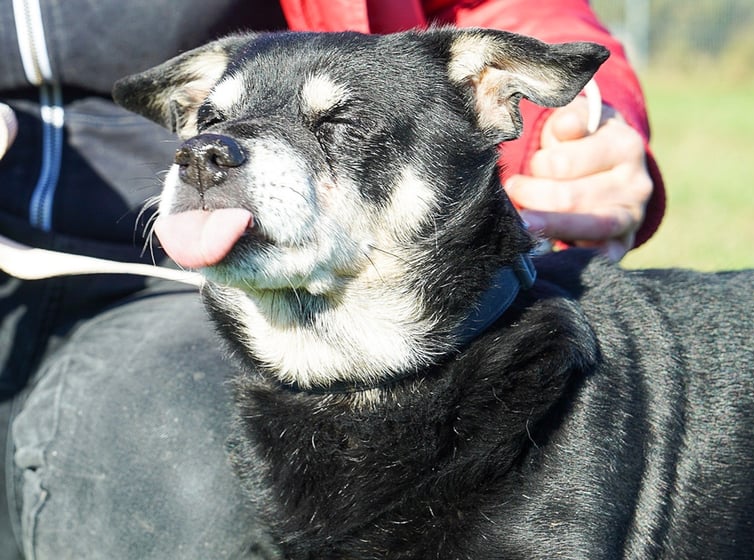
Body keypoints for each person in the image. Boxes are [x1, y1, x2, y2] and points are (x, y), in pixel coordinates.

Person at [0, 0, 664, 557]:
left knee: (193, 471)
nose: (209, 150)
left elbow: (502, 13)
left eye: (335, 123)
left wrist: (576, 133)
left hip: (164, 293)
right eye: (209, 119)